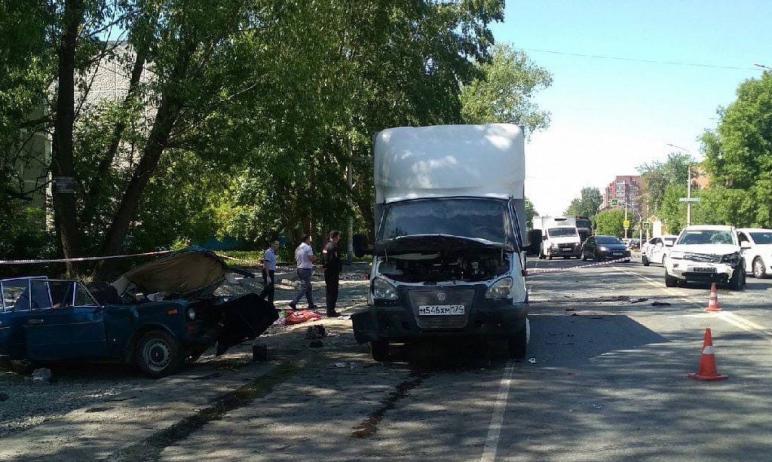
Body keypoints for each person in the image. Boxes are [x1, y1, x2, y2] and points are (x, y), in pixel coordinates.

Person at [289, 234, 317, 310]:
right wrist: (315, 258)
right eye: (309, 239)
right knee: (304, 287)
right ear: (307, 239)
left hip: (299, 268)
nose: (310, 241)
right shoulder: (308, 248)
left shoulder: (298, 248)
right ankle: (294, 302)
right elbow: (311, 258)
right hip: (306, 269)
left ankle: (311, 304)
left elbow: (296, 258)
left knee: (308, 287)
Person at [322, 230, 343, 317]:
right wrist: (339, 268)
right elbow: (334, 260)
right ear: (335, 237)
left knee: (329, 291)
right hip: (333, 272)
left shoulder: (326, 246)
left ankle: (329, 310)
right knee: (333, 291)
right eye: (338, 236)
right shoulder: (334, 247)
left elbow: (323, 259)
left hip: (327, 271)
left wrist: (324, 266)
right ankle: (331, 311)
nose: (339, 238)